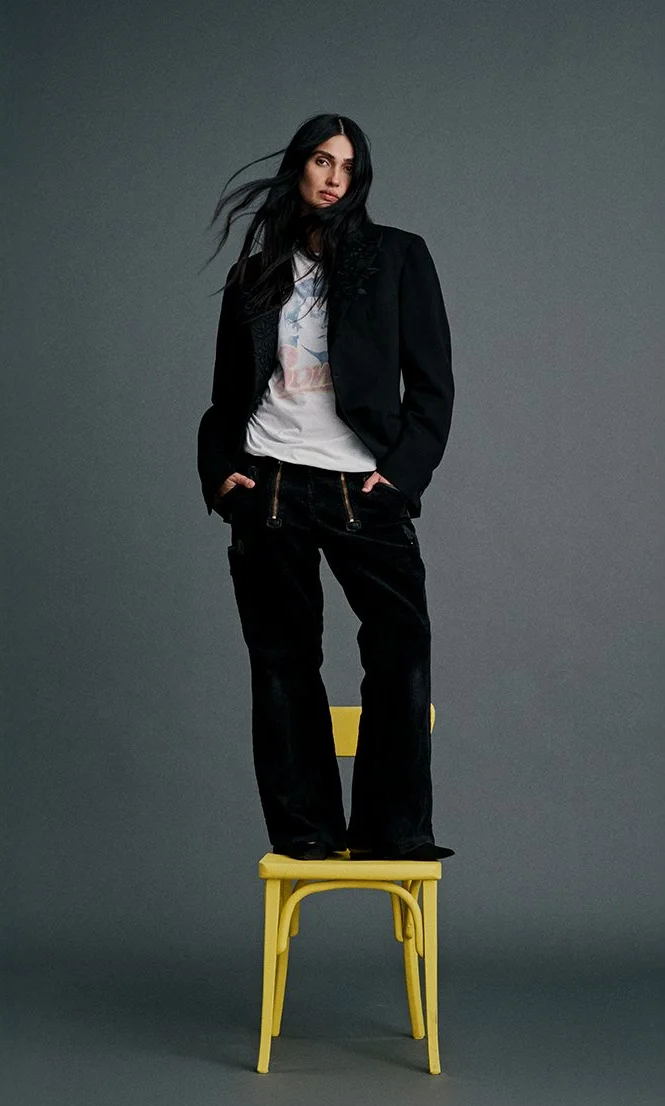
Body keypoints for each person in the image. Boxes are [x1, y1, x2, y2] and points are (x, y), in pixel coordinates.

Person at [198, 113, 455, 862]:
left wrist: (400, 479)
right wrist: (222, 479)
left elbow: (433, 387)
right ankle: (305, 832)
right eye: (321, 159)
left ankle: (394, 831)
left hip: (361, 489)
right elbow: (225, 398)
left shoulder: (398, 258)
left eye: (348, 164)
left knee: (401, 648)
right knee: (281, 663)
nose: (335, 175)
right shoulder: (254, 277)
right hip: (270, 486)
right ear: (299, 169)